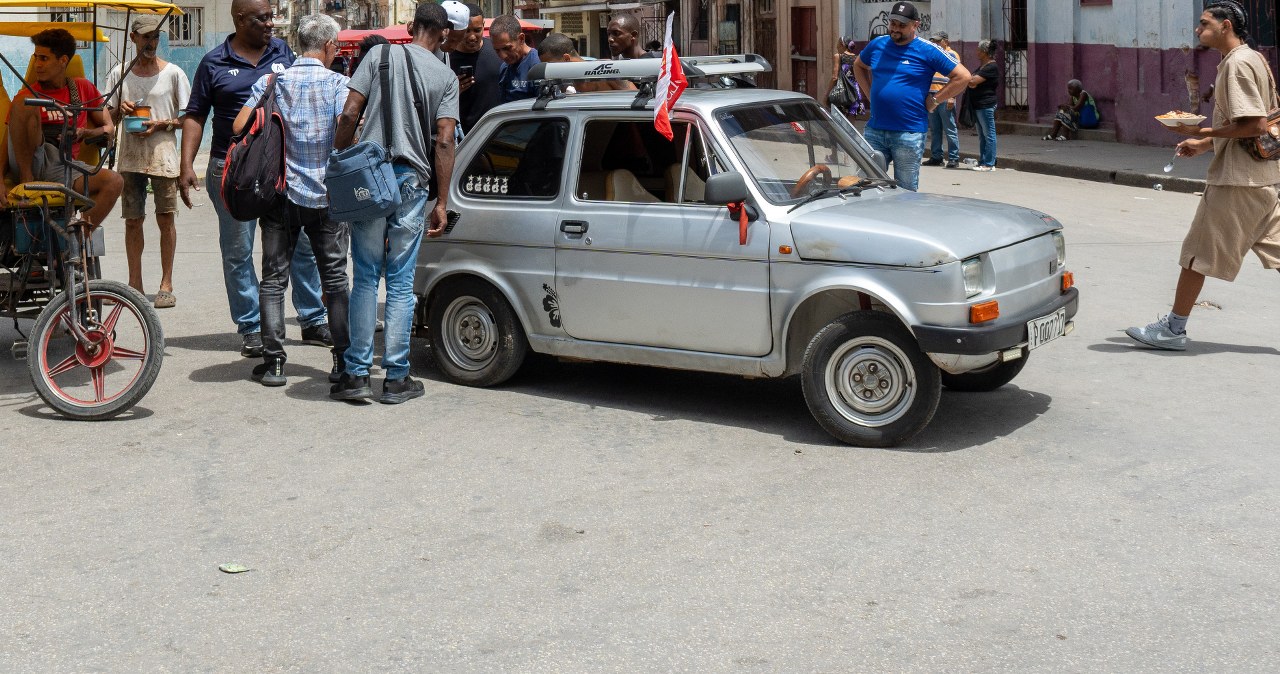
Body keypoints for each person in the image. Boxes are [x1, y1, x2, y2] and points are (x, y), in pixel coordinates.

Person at [180, 0, 331, 359]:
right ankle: (250, 326)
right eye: (262, 18)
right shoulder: (214, 62)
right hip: (233, 169)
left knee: (301, 245)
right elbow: (196, 115)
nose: (271, 23)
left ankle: (311, 319)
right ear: (239, 19)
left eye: (271, 16)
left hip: (281, 165)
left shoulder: (282, 52)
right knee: (238, 250)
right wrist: (186, 165)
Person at [1126, 1, 1280, 351]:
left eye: (1204, 23)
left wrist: (1202, 131)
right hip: (1264, 177)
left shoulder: (1237, 65)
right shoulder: (1253, 57)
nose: (1198, 30)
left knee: (1196, 254)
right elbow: (1252, 126)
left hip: (1237, 182)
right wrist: (1205, 144)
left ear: (1226, 26)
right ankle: (1173, 327)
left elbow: (1253, 124)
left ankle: (1173, 329)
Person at [331, 1, 459, 403]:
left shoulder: (378, 55)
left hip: (370, 178)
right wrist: (441, 200)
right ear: (443, 34)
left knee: (365, 275)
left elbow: (350, 112)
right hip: (410, 181)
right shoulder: (446, 76)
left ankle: (354, 375)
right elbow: (444, 140)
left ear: (410, 26)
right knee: (401, 283)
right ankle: (396, 378)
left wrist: (339, 158)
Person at [231, 14, 351, 387]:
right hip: (327, 197)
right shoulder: (339, 85)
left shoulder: (273, 80)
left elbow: (238, 127)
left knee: (273, 279)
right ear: (329, 46)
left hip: (279, 195)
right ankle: (342, 362)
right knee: (334, 280)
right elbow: (348, 134)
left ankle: (275, 363)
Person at [104, 15, 191, 308]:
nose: (150, 42)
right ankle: (135, 284)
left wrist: (163, 122)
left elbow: (189, 118)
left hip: (164, 157)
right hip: (129, 158)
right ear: (133, 39)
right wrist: (120, 112)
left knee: (165, 219)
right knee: (132, 220)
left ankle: (166, 283)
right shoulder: (119, 74)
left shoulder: (174, 74)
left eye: (155, 37)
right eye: (145, 37)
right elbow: (107, 117)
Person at [3, 29, 123, 228]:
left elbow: (109, 128)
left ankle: (77, 242)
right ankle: (28, 183)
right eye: (35, 58)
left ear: (63, 60)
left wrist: (86, 133)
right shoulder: (26, 95)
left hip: (64, 164)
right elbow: (6, 144)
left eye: (44, 58)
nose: (37, 65)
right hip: (31, 159)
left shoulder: (83, 88)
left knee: (115, 182)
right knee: (26, 102)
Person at [852, 2, 970, 191]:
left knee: (905, 191)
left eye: (901, 25)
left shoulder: (927, 49)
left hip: (908, 133)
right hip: (875, 131)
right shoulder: (878, 45)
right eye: (893, 23)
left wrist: (935, 100)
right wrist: (870, 95)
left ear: (915, 25)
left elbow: (963, 76)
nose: (895, 29)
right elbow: (858, 65)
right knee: (865, 188)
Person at [446, 3, 503, 133]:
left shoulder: (497, 51)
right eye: (467, 31)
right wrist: (454, 92)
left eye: (477, 30)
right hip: (462, 137)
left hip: (495, 134)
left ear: (483, 26)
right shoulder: (445, 58)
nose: (472, 37)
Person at [537, 32, 636, 93]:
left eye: (551, 66)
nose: (549, 72)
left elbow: (636, 101)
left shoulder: (605, 70)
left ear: (566, 58)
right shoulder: (561, 85)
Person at [924, 32, 960, 168]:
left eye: (938, 41)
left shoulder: (952, 55)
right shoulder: (932, 54)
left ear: (946, 42)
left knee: (949, 128)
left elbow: (957, 78)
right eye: (933, 41)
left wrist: (952, 96)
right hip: (932, 96)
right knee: (935, 129)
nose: (935, 43)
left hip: (945, 96)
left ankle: (954, 158)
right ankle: (936, 156)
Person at [967, 39, 1000, 172]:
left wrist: (972, 81)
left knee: (989, 134)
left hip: (986, 104)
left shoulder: (991, 67)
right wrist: (971, 81)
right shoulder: (983, 67)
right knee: (982, 135)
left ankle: (989, 163)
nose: (977, 52)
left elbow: (973, 81)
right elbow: (972, 82)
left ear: (985, 52)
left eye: (979, 50)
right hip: (978, 104)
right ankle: (983, 160)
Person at [492, 14, 540, 102]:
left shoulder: (537, 66)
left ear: (521, 39)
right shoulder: (504, 68)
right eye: (497, 50)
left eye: (507, 48)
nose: (503, 56)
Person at [826, 36, 866, 119]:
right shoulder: (857, 58)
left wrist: (827, 94)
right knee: (851, 121)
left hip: (841, 92)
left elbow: (834, 77)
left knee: (838, 120)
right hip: (854, 92)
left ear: (842, 44)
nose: (836, 46)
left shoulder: (838, 56)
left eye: (837, 43)